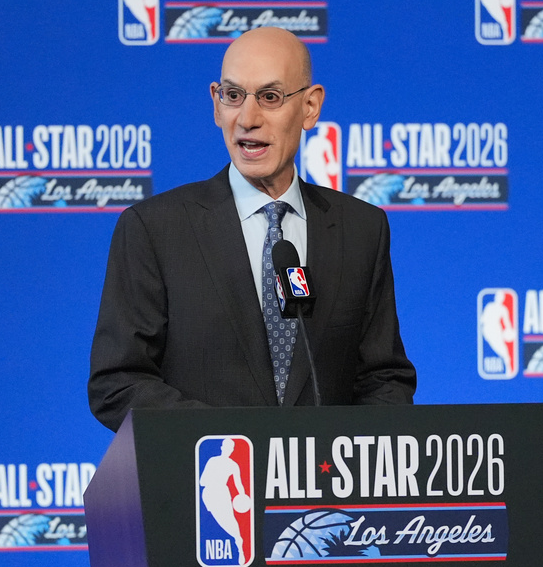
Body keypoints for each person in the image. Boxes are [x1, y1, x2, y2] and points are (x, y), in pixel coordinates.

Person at [88, 26, 416, 432]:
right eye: (233, 96)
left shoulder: (361, 229)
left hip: (321, 490)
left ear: (310, 107)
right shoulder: (155, 229)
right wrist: (238, 446)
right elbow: (118, 383)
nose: (247, 119)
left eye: (270, 97)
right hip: (206, 480)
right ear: (215, 104)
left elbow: (384, 378)